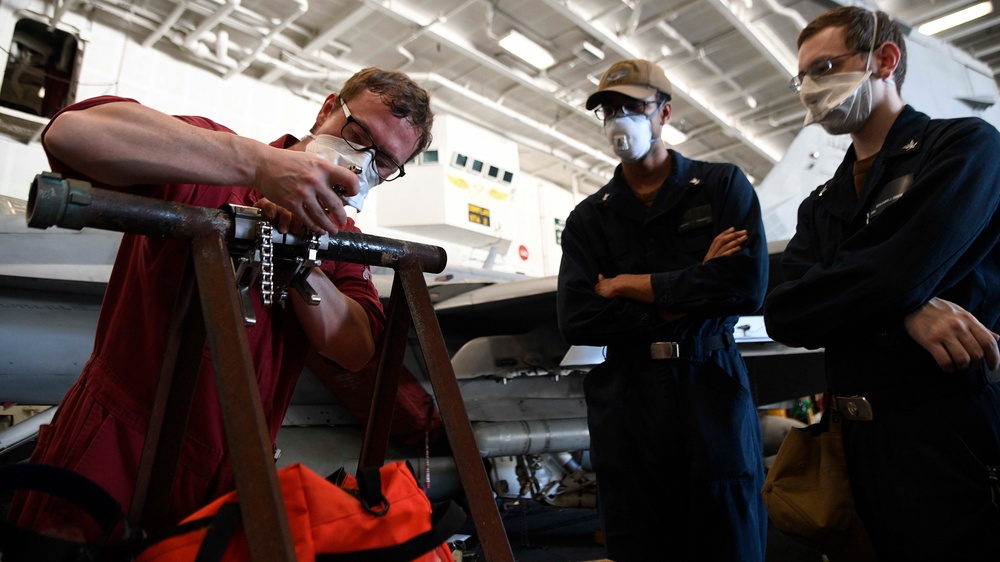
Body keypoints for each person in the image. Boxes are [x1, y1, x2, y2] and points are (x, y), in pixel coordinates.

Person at [8, 67, 434, 540]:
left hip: (229, 473)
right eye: (357, 135)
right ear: (328, 108)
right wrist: (255, 165)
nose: (362, 163)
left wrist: (298, 262)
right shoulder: (210, 158)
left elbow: (355, 348)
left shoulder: (341, 242)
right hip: (115, 448)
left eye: (384, 163)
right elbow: (72, 134)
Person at [763, 7, 1000, 559]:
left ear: (884, 60)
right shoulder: (821, 203)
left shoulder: (965, 148)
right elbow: (783, 311)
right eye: (803, 78)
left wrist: (889, 293)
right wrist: (904, 308)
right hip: (856, 444)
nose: (810, 90)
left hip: (947, 437)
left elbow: (898, 273)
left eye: (824, 67)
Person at [556, 58, 769, 560]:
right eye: (608, 109)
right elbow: (579, 319)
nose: (618, 120)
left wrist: (632, 285)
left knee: (729, 537)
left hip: (709, 383)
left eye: (632, 107)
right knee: (640, 540)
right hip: (629, 395)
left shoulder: (721, 187)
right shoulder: (590, 218)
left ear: (664, 113)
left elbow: (744, 287)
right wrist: (686, 296)